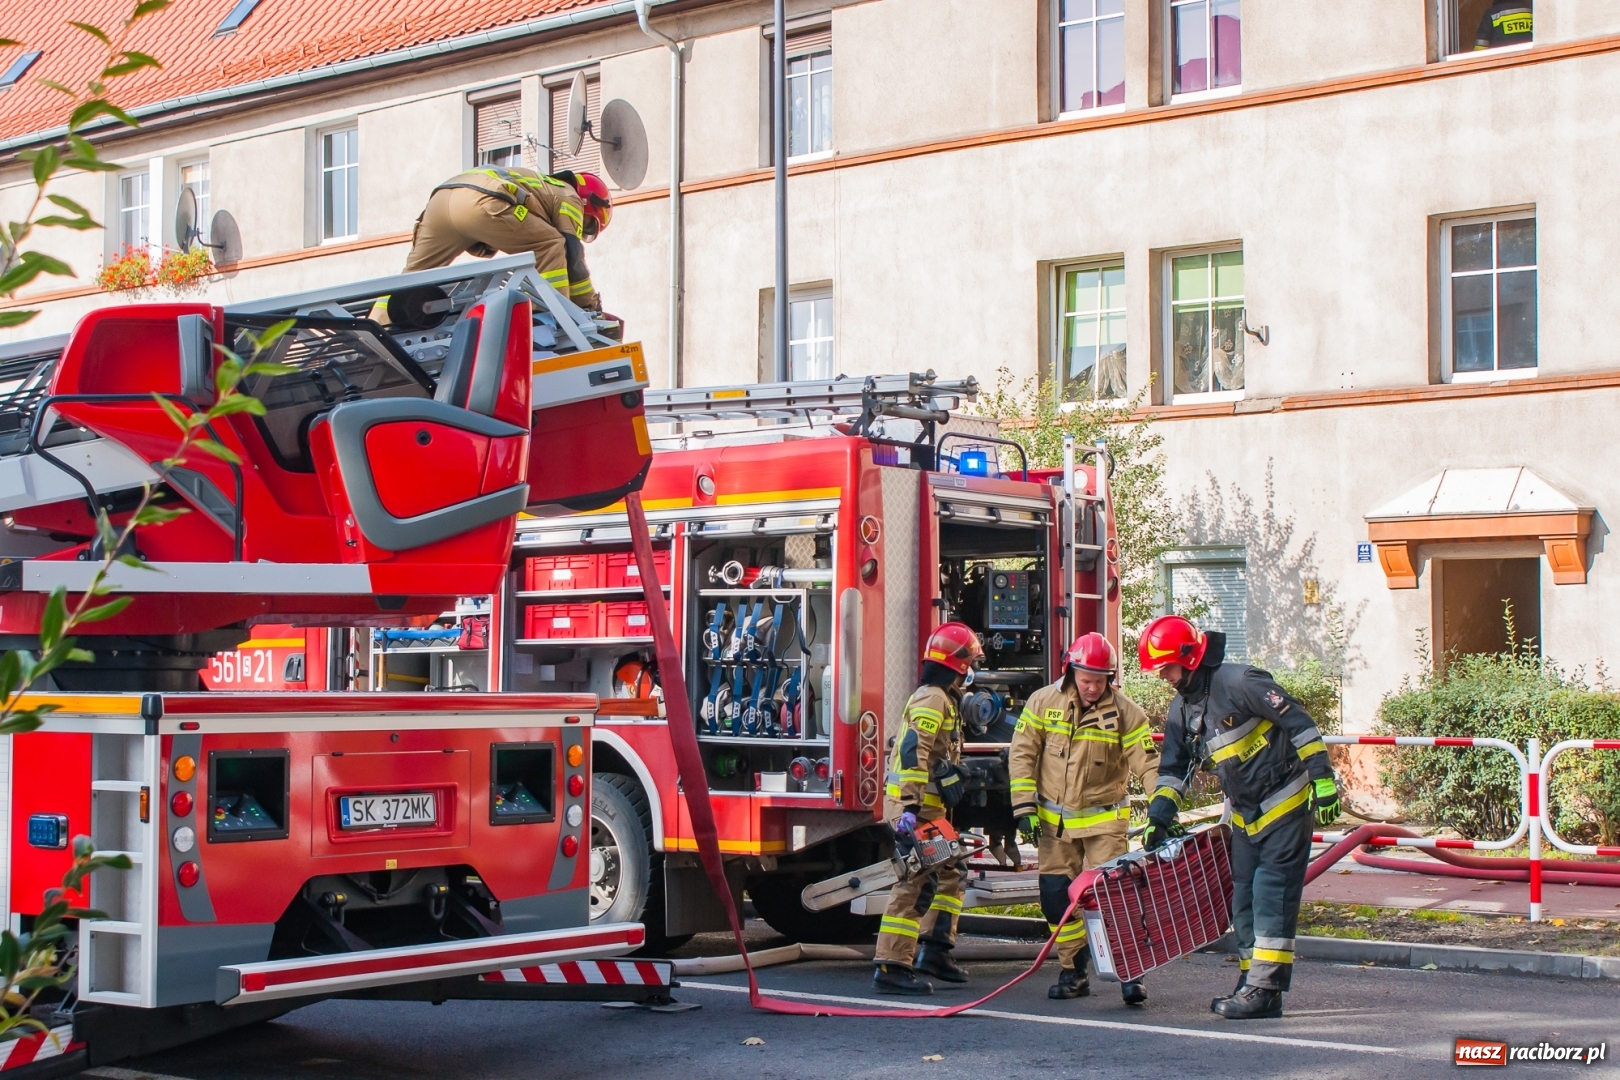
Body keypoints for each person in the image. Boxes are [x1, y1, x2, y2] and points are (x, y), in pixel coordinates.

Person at [1138, 615, 1341, 1021]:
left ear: (1189, 657)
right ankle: (1253, 980)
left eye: (1166, 668)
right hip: (1246, 817)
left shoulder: (1241, 682)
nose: (1162, 677)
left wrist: (1322, 778)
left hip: (1285, 802)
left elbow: (1298, 723)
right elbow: (1173, 769)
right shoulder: (1182, 708)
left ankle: (1266, 990)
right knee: (1243, 898)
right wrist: (1159, 816)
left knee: (1270, 894)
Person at [1009, 632, 1158, 1005]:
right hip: (1054, 828)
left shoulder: (1127, 713)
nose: (1092, 687)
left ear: (1110, 678)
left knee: (1117, 899)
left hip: (1104, 824)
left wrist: (1161, 808)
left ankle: (1131, 973)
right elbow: (1022, 755)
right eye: (1086, 679)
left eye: (1100, 680)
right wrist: (1023, 807)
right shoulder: (1044, 702)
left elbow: (1149, 764)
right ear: (1071, 670)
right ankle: (1073, 970)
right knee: (1056, 901)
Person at [872, 622, 984, 995]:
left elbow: (932, 753)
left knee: (952, 871)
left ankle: (934, 952)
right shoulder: (933, 698)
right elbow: (911, 752)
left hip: (928, 810)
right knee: (917, 882)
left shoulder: (941, 696)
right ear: (961, 664)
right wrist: (907, 806)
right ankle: (891, 965)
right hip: (915, 810)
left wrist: (949, 770)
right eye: (971, 661)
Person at [402, 166, 612, 309]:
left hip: (440, 201)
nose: (581, 229)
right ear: (588, 201)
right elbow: (572, 253)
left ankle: (378, 324)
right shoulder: (569, 194)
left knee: (411, 280)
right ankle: (549, 320)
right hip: (482, 199)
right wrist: (588, 305)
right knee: (551, 245)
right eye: (588, 224)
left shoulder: (540, 185)